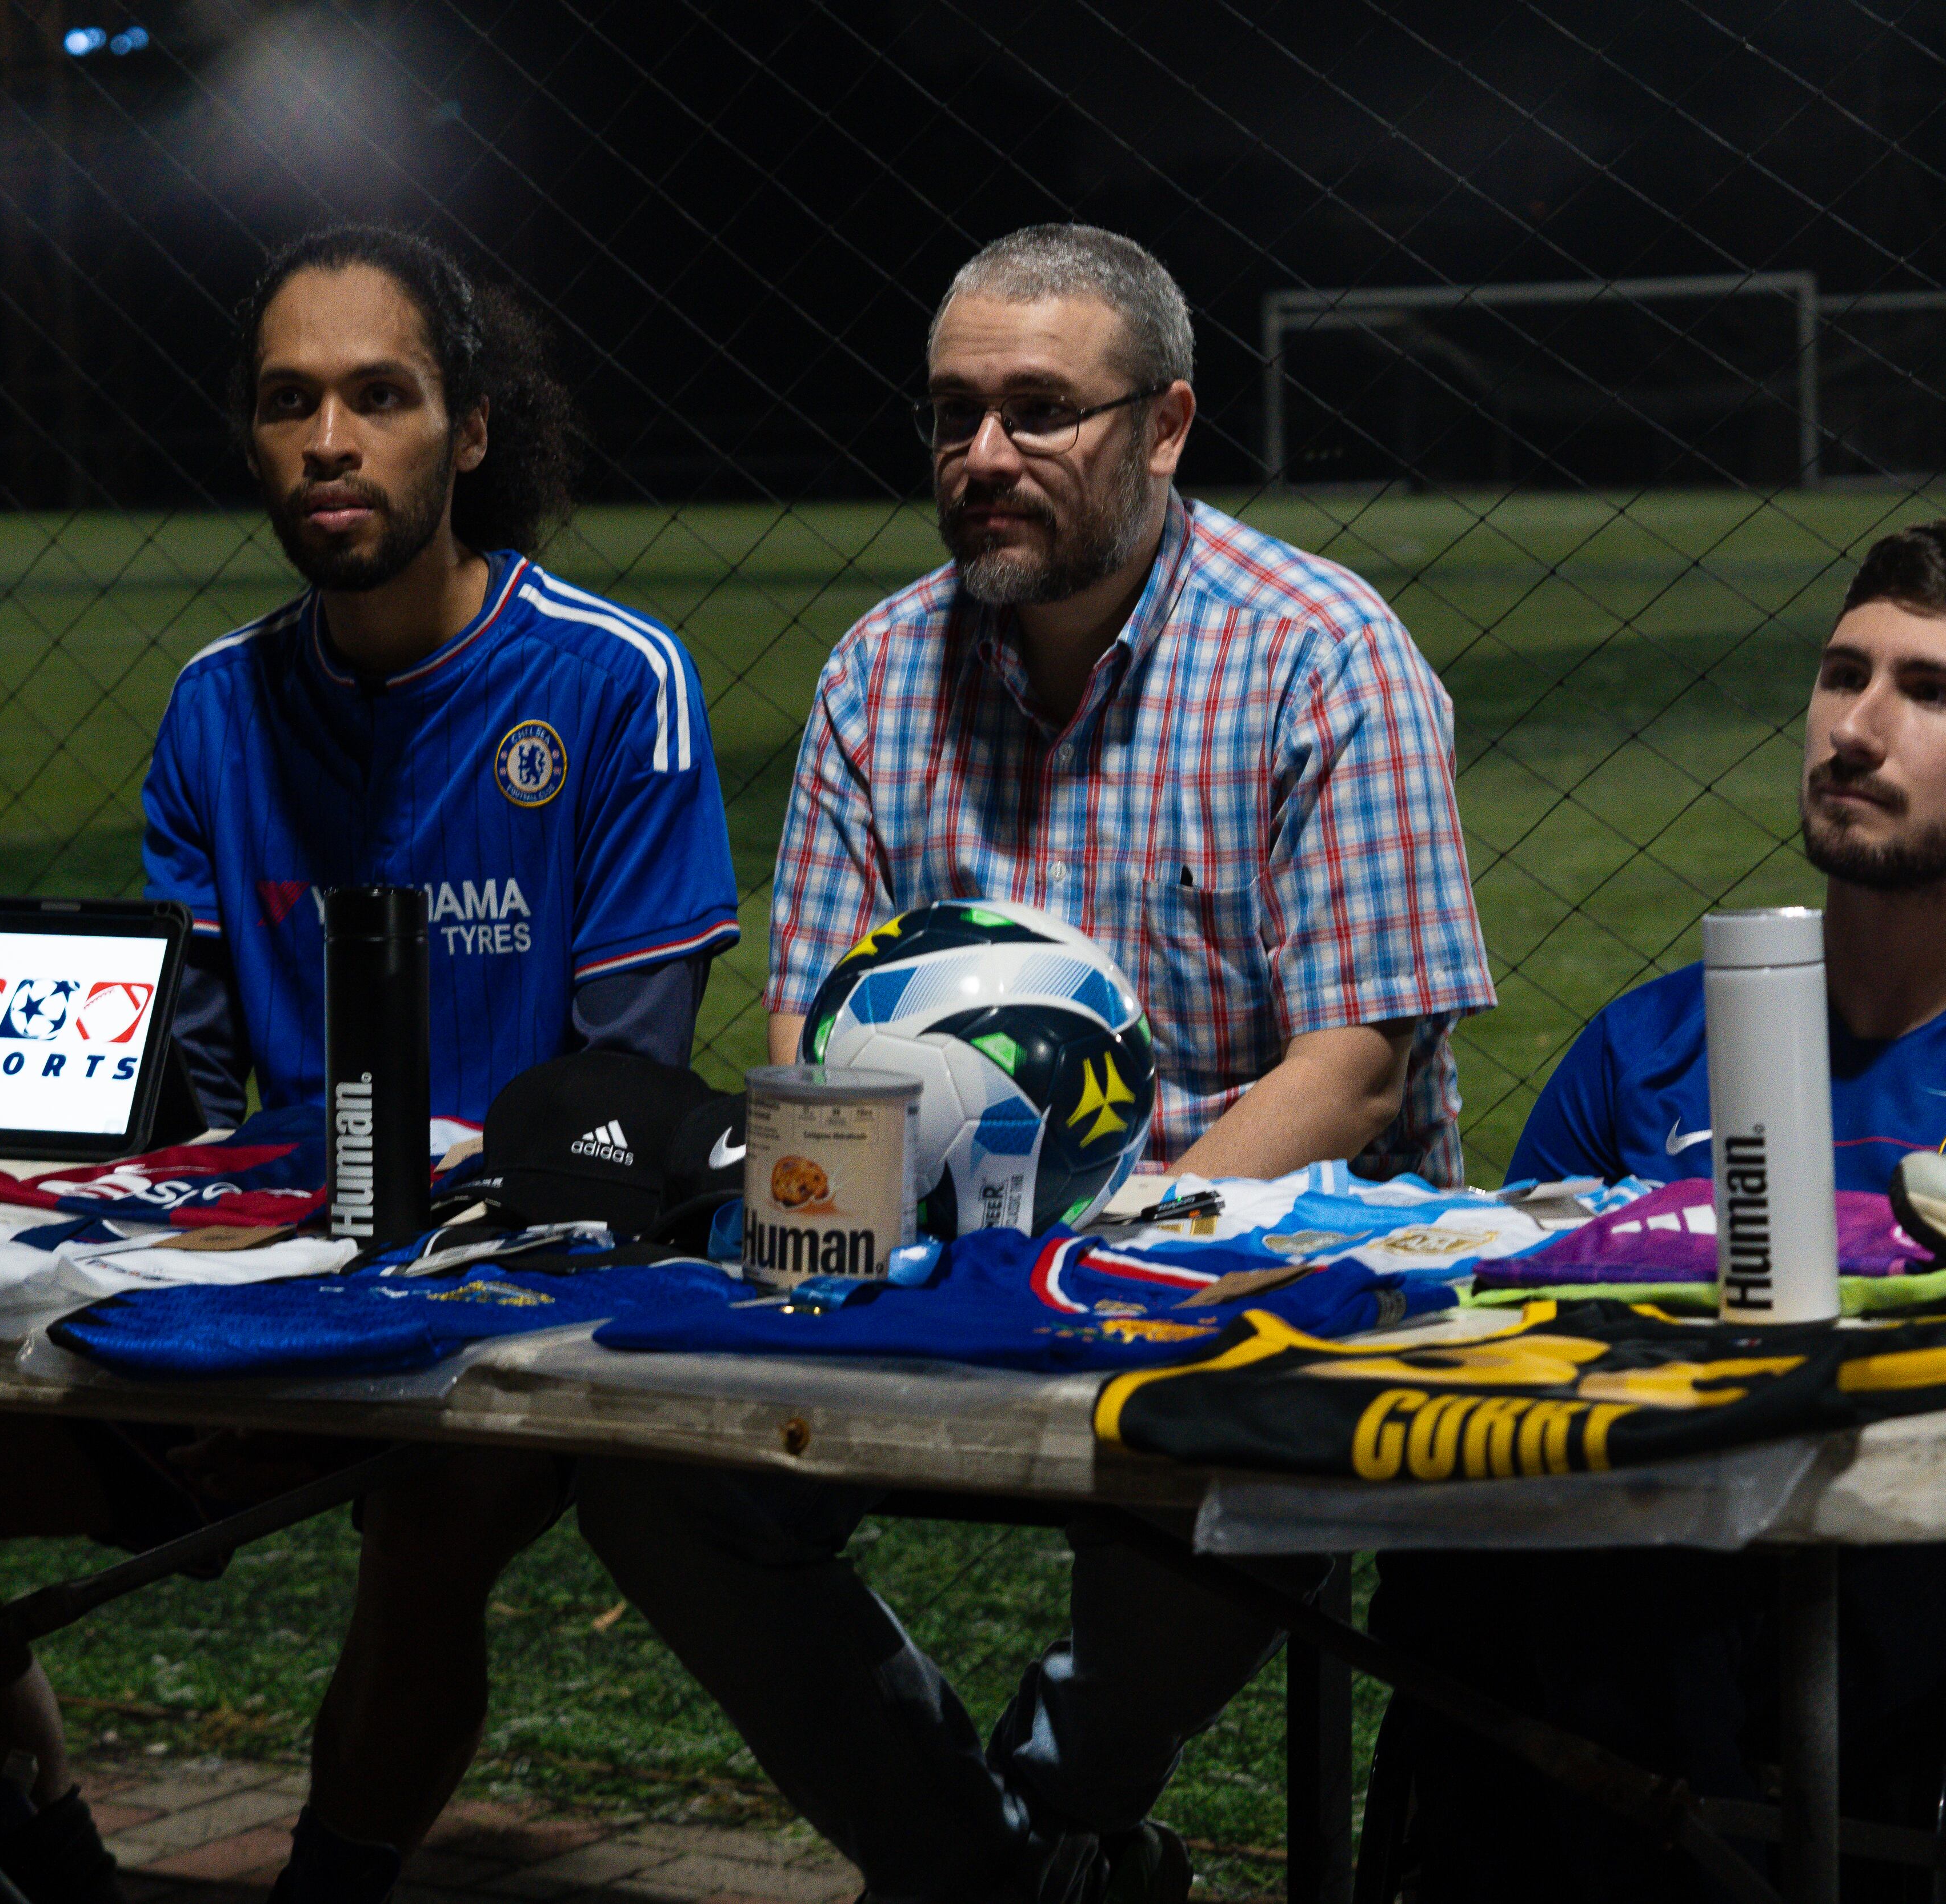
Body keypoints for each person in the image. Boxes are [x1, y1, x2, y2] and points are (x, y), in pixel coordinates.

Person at [0, 227, 740, 1904]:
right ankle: (56, 1871)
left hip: (506, 1312)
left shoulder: (613, 683)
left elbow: (624, 1108)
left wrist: (347, 1343)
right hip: (249, 1293)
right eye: (288, 400)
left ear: (472, 429)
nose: (328, 440)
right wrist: (125, 1225)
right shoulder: (216, 707)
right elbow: (192, 1106)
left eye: (380, 395)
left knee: (430, 1523)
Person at [579, 223, 1497, 1904]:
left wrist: (1100, 1257)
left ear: (1166, 425)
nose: (984, 454)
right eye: (954, 413)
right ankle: (1013, 1874)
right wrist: (837, 1256)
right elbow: (807, 1041)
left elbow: (1358, 1068)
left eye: (1039, 410)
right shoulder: (879, 671)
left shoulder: (1322, 653)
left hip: (1234, 1272)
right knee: (655, 1483)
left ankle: (1038, 1825)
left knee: (1199, 1474)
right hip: (934, 1262)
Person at [1376, 516, 1946, 1900]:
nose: (1854, 728)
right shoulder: (1643, 1051)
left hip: (1928, 1620)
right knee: (1465, 1573)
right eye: (1841, 673)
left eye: (1932, 692)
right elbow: (1508, 1341)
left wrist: (1830, 1444)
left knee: (1647, 1603)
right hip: (1623, 1576)